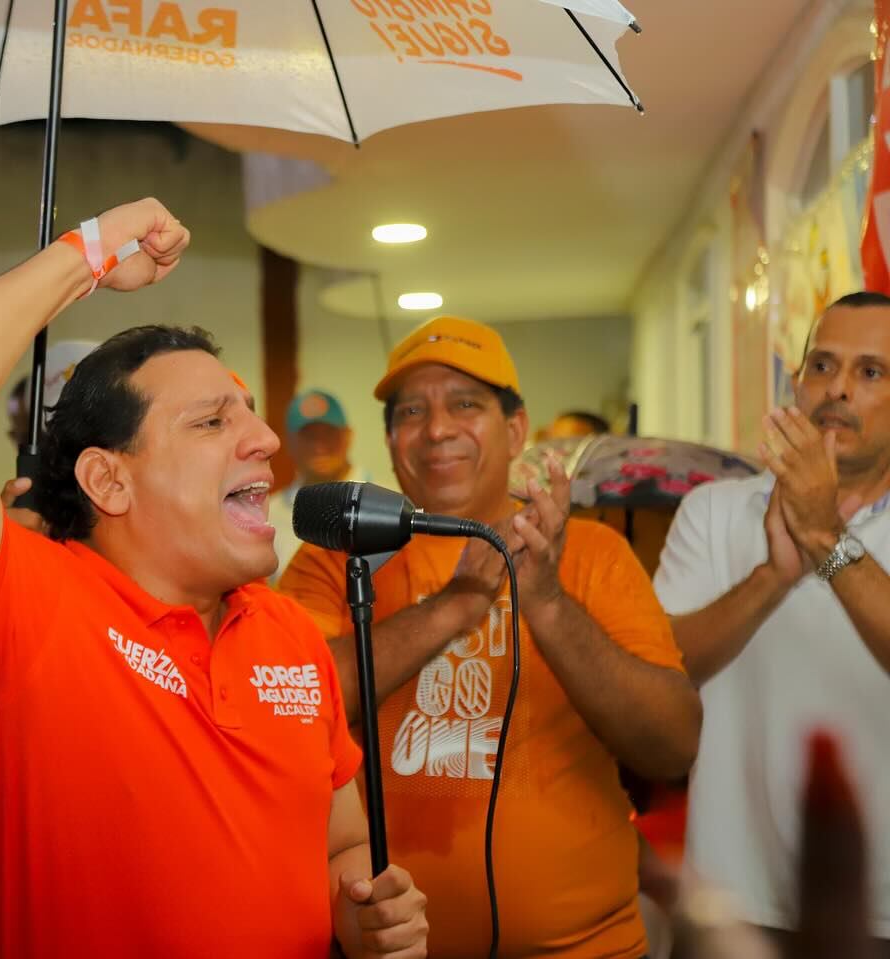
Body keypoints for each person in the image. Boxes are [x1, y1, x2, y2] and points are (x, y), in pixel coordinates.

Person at [0, 197, 428, 958]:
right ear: (108, 480)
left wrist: (361, 913)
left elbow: (340, 848)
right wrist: (89, 250)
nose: (263, 439)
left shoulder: (288, 631)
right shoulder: (28, 602)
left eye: (251, 415)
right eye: (212, 421)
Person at [280, 315, 701, 958]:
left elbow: (672, 745)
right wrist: (460, 604)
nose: (438, 429)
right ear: (391, 440)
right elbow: (298, 707)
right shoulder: (336, 560)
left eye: (466, 404)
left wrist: (548, 602)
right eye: (412, 411)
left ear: (516, 430)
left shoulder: (592, 553)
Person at [653, 290, 890, 955]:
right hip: (732, 900)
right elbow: (658, 668)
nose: (839, 388)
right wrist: (771, 579)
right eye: (823, 365)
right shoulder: (715, 511)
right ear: (796, 383)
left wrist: (825, 536)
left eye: (871, 372)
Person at [266, 388, 368, 585]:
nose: (319, 446)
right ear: (289, 442)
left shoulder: (392, 501)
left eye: (329, 434)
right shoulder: (268, 515)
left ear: (348, 436)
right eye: (309, 436)